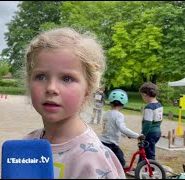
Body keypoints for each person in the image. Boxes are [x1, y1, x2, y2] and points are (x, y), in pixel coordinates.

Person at [22, 27, 125, 178]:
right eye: (41, 76)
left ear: (88, 89)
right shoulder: (27, 144)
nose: (51, 88)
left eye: (67, 78)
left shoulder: (93, 160)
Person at [99, 89, 141, 168]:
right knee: (120, 162)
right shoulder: (118, 115)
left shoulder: (106, 113)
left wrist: (125, 135)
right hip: (111, 144)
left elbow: (111, 127)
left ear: (111, 102)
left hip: (103, 141)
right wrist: (137, 135)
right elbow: (122, 128)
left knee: (115, 157)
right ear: (123, 103)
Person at [139, 82, 163, 161]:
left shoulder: (149, 107)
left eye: (142, 96)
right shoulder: (159, 105)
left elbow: (148, 123)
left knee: (149, 152)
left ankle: (152, 168)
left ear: (145, 94)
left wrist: (143, 134)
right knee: (145, 150)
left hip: (150, 133)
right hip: (157, 132)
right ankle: (141, 166)